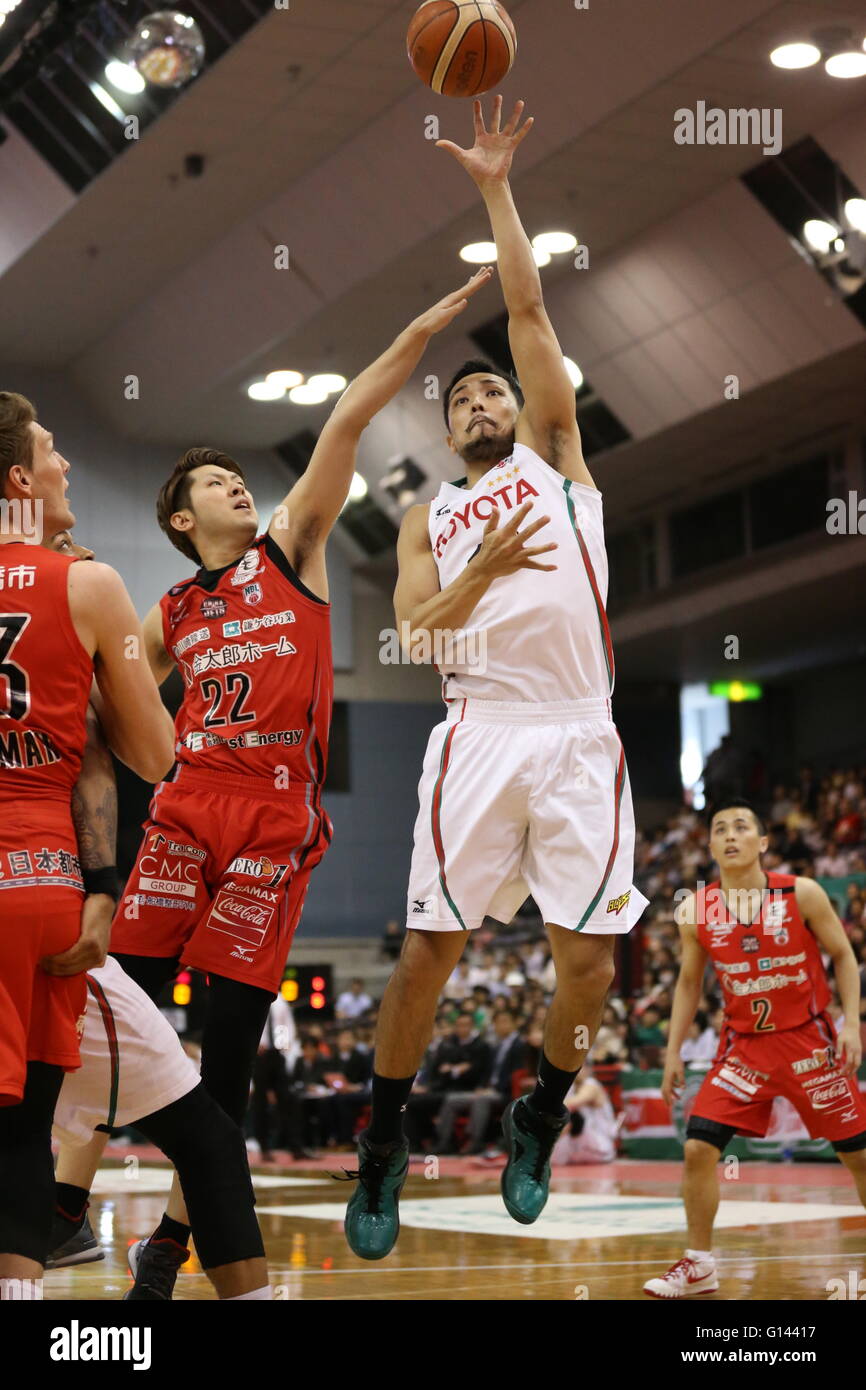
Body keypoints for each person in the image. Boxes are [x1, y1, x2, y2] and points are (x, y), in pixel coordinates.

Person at [98, 270, 495, 1298]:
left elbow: (347, 416)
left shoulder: (292, 550)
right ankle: (57, 1204)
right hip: (186, 807)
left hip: (273, 818)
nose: (238, 484)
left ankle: (173, 1243)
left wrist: (416, 327)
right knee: (113, 1002)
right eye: (215, 482)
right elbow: (115, 701)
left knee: (226, 1049)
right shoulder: (173, 608)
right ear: (180, 520)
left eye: (241, 475)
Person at [343, 97, 648, 1261]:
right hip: (476, 731)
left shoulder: (561, 467)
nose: (478, 400)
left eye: (492, 392)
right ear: (443, 428)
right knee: (429, 953)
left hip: (576, 732)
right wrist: (487, 576)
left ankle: (537, 1110)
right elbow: (417, 631)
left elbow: (523, 304)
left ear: (525, 407)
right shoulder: (433, 512)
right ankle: (383, 1143)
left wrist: (492, 188)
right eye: (459, 398)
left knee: (589, 964)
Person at [0, 396, 175, 1297]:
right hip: (40, 883)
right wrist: (102, 668)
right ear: (21, 482)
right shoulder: (85, 584)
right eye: (53, 450)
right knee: (33, 1128)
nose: (66, 462)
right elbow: (155, 755)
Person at [645, 799, 866, 1299]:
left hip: (810, 1043)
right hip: (743, 1048)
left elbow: (844, 957)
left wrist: (851, 1023)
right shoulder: (696, 909)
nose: (729, 835)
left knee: (858, 1156)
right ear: (709, 845)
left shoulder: (802, 893)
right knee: (700, 1147)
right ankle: (699, 1265)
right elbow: (686, 984)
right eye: (719, 828)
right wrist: (671, 1053)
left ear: (762, 843)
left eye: (741, 827)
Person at [433, 1007, 525, 1154]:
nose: (501, 1025)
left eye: (505, 1021)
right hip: (489, 1090)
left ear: (514, 1023)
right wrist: (482, 1086)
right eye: (497, 1022)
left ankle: (476, 1141)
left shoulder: (520, 1045)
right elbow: (488, 1072)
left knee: (480, 1100)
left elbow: (515, 1074)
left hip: (504, 1093)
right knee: (451, 1099)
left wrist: (495, 1089)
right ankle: (445, 1141)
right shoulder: (496, 1046)